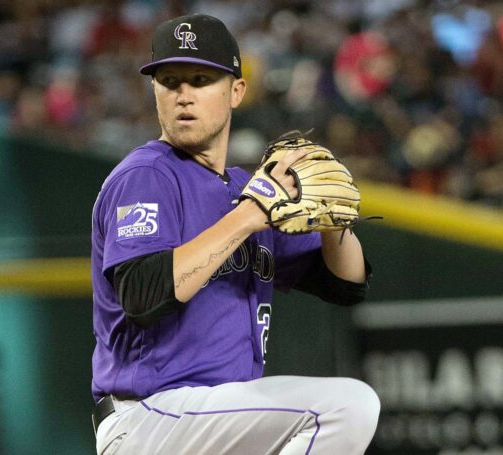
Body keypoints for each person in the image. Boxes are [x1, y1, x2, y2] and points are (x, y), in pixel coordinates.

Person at [90, 13, 380, 455]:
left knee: (342, 408)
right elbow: (143, 295)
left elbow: (345, 285)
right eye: (170, 81)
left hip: (219, 421)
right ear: (155, 91)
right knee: (346, 406)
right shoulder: (148, 175)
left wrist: (333, 223)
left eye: (201, 79)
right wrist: (248, 215)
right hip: (150, 417)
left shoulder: (248, 190)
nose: (184, 95)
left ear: (236, 91)